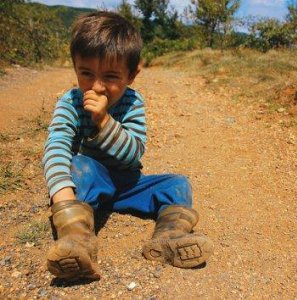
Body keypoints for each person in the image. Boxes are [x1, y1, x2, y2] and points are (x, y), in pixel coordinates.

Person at [42, 11, 213, 281]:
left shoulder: (133, 102)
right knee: (78, 165)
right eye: (86, 73)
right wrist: (63, 202)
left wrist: (103, 121)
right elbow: (56, 146)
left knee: (178, 184)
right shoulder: (70, 103)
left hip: (129, 182)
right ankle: (76, 239)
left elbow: (133, 152)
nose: (97, 86)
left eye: (110, 76)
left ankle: (171, 236)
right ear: (74, 66)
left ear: (132, 75)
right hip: (93, 182)